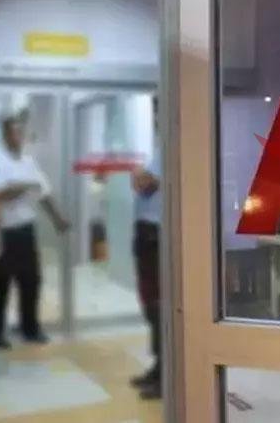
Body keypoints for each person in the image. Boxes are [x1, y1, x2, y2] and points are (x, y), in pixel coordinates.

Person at [0, 115, 69, 348]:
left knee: (31, 280)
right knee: (0, 283)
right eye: (15, 132)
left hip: (25, 230)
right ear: (5, 135)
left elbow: (44, 192)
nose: (20, 136)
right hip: (3, 231)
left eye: (22, 132)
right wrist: (24, 186)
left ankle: (30, 329)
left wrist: (58, 219)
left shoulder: (28, 161)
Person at [130, 98, 162, 400]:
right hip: (146, 235)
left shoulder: (175, 147)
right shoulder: (158, 148)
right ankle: (159, 366)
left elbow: (145, 184)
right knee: (151, 305)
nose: (155, 118)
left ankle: (166, 374)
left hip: (157, 237)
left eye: (158, 112)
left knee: (159, 306)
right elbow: (143, 182)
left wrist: (140, 176)